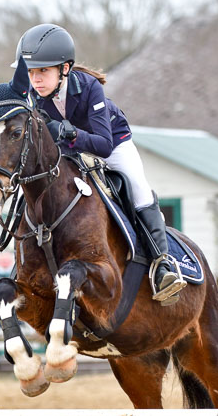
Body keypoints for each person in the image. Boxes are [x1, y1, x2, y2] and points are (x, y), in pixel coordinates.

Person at [11, 23, 185, 304]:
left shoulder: (88, 87)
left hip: (112, 143)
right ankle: (19, 270)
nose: (36, 79)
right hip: (70, 151)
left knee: (138, 187)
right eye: (31, 72)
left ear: (64, 69)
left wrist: (69, 133)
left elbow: (102, 144)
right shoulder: (32, 98)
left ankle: (162, 265)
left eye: (42, 71)